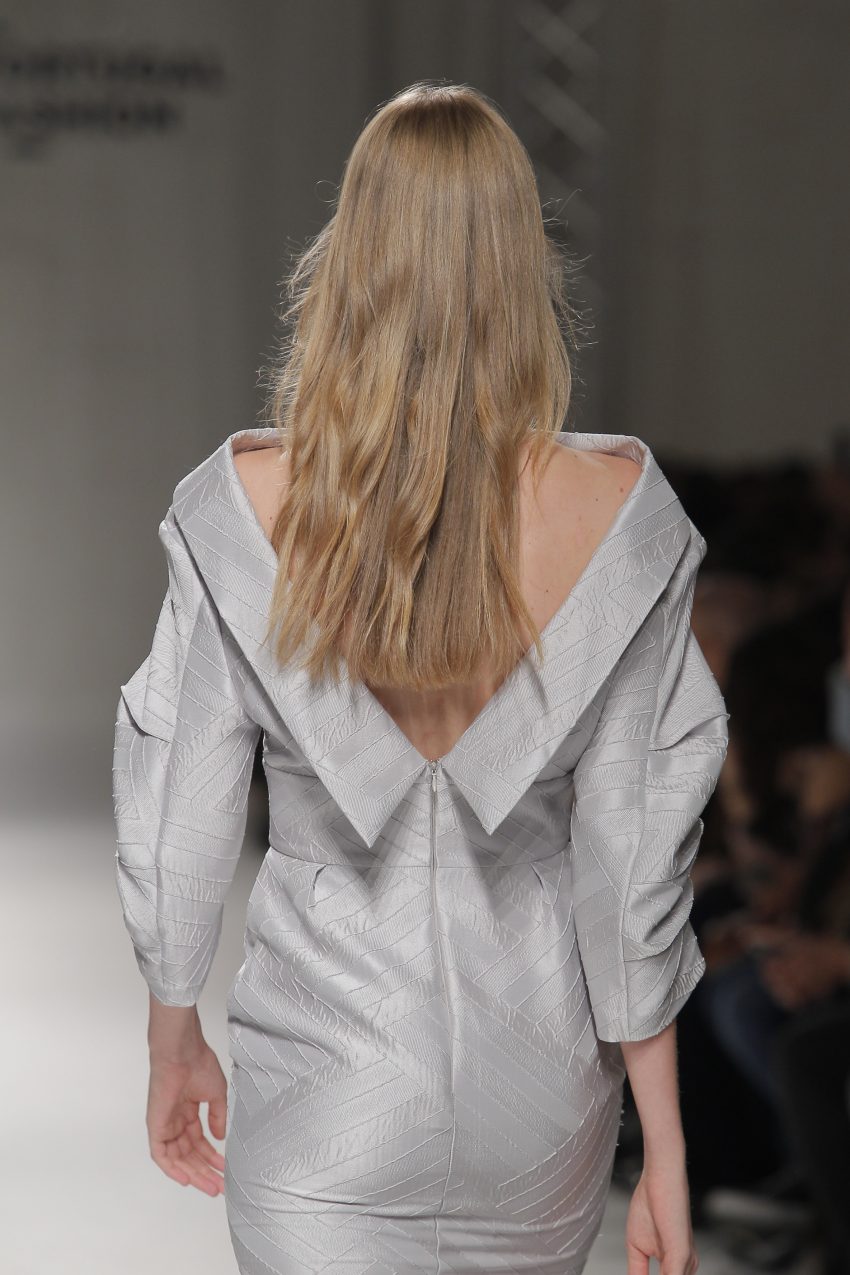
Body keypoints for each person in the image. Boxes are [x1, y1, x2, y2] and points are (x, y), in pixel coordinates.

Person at [111, 82, 729, 1275]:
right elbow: (632, 856)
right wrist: (664, 1145)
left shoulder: (248, 507)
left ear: (350, 256)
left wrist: (171, 1034)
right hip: (539, 1095)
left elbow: (184, 807)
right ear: (521, 263)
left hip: (326, 1078)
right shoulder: (617, 516)